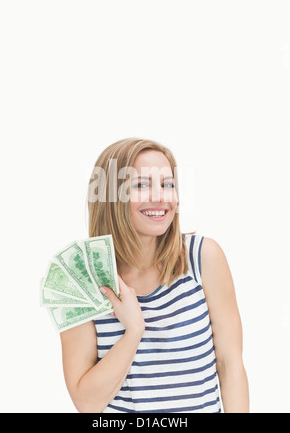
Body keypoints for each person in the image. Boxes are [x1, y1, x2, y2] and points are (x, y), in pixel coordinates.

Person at [59, 137, 249, 413]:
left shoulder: (202, 257)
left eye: (167, 184)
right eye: (141, 185)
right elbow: (87, 403)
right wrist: (133, 331)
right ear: (111, 198)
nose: (160, 197)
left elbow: (230, 364)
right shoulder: (79, 279)